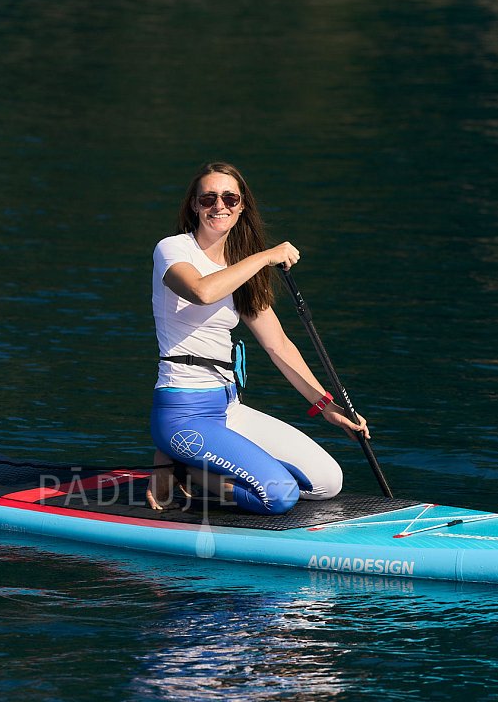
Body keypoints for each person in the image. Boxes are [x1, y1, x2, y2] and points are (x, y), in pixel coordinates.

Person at [147, 161, 370, 515]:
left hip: (228, 407)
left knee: (328, 482)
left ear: (241, 207)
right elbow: (202, 291)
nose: (219, 206)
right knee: (281, 495)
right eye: (208, 198)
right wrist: (266, 256)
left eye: (229, 198)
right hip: (182, 413)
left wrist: (326, 405)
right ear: (194, 205)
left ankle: (191, 469)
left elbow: (278, 344)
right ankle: (183, 469)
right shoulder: (173, 249)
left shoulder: (241, 268)